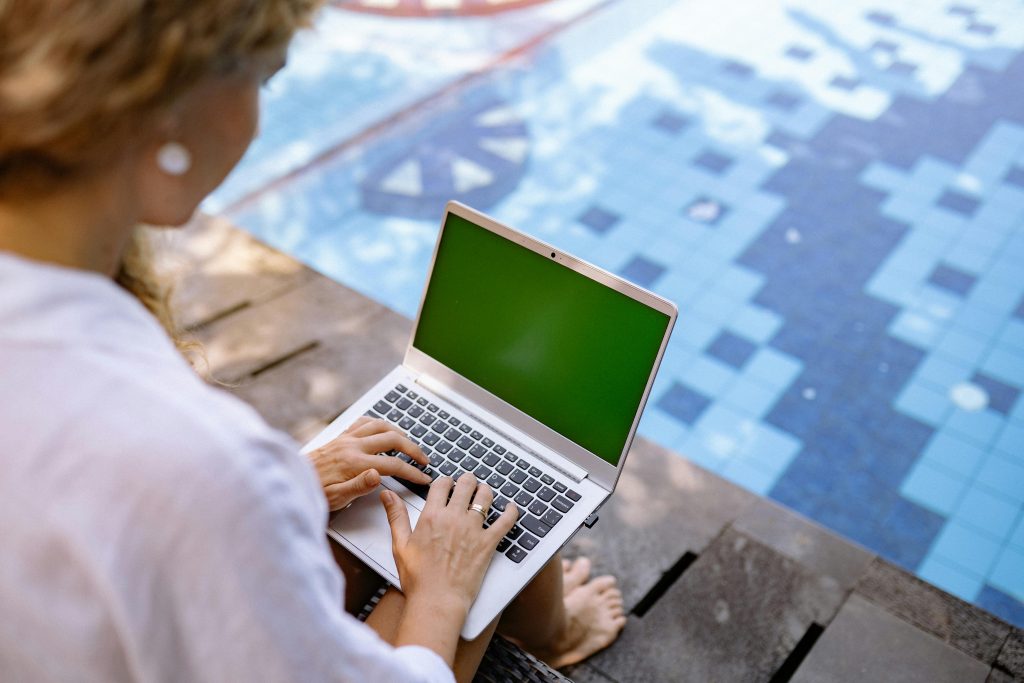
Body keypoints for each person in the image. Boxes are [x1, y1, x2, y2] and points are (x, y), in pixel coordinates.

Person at [0, 1, 627, 681]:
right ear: (167, 111)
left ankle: (548, 627)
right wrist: (441, 591)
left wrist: (295, 485)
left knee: (436, 509)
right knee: (469, 542)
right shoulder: (199, 466)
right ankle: (548, 633)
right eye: (264, 79)